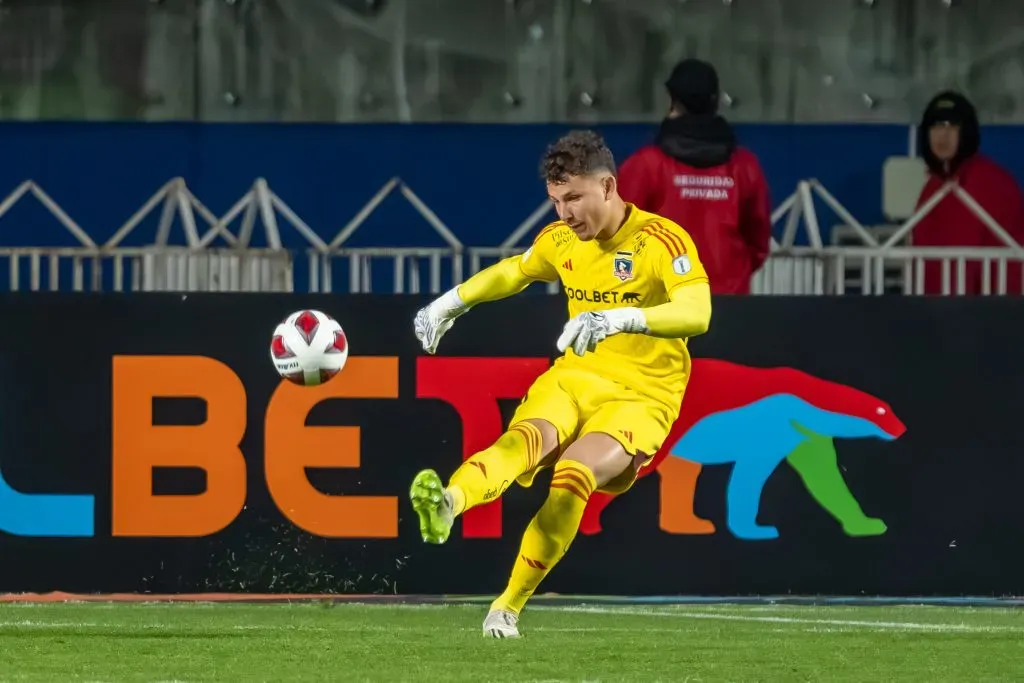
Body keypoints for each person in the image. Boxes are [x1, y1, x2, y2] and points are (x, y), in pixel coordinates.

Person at [409, 130, 712, 638]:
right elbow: (516, 272)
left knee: (573, 471)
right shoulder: (561, 241)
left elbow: (697, 312)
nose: (564, 214)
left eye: (574, 198)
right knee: (522, 443)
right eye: (555, 201)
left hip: (642, 396)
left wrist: (621, 319)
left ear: (609, 186)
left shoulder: (661, 240)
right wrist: (451, 303)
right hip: (574, 377)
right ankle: (448, 505)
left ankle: (506, 606)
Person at [617, 58, 772, 295]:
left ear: (673, 102)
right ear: (715, 102)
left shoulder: (645, 165)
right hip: (730, 305)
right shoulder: (745, 167)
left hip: (662, 307)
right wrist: (731, 275)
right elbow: (758, 243)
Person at [912, 90, 1024, 295]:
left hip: (992, 312)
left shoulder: (989, 181)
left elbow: (965, 262)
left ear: (967, 132)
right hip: (940, 312)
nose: (942, 135)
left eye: (952, 126)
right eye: (936, 125)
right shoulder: (934, 185)